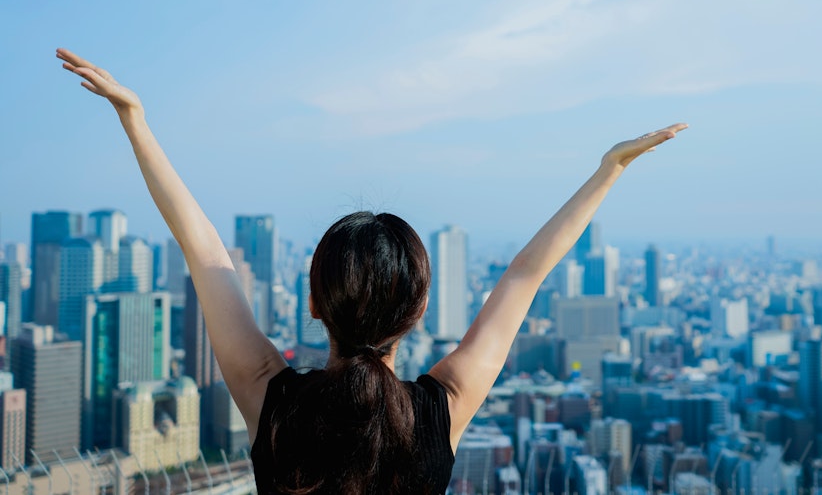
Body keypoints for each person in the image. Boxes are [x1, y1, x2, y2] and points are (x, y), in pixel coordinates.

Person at [57, 48, 687, 494]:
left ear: (313, 302)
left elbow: (205, 253)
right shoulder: (441, 411)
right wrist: (610, 170)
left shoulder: (272, 401)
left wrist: (134, 120)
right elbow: (525, 274)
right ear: (417, 313)